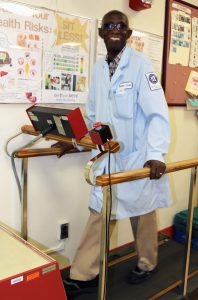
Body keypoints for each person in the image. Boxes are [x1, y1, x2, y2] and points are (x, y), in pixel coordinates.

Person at [64, 10, 171, 297]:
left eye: (120, 26)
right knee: (100, 211)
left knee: (143, 215)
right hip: (107, 156)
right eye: (108, 26)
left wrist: (157, 153)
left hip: (137, 157)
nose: (114, 29)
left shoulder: (140, 66)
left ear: (127, 34)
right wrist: (73, 140)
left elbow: (157, 113)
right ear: (101, 34)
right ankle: (84, 273)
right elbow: (92, 115)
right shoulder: (98, 70)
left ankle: (147, 263)